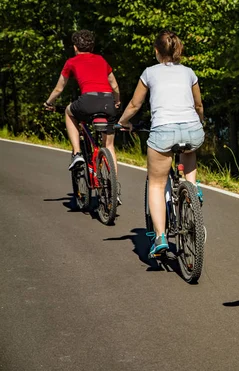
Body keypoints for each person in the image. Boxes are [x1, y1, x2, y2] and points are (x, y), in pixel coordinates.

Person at [117, 30, 205, 257]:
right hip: (192, 130)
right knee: (189, 151)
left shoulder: (149, 73)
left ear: (156, 51)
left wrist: (122, 122)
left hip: (163, 132)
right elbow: (198, 105)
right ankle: (192, 191)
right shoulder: (189, 73)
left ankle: (160, 237)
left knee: (156, 183)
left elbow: (135, 105)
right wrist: (200, 123)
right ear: (179, 50)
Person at [44, 29, 121, 172]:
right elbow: (114, 85)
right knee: (109, 146)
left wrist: (48, 103)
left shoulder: (71, 62)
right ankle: (114, 191)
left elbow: (59, 89)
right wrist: (116, 101)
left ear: (75, 47)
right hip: (108, 102)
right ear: (92, 47)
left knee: (69, 111)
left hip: (87, 101)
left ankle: (77, 153)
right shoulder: (101, 60)